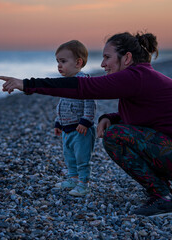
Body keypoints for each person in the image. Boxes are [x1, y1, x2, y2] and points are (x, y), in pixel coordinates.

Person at [0, 32, 172, 217]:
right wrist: (109, 117)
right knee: (116, 129)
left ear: (127, 58)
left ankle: (165, 199)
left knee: (115, 136)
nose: (102, 64)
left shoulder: (135, 77)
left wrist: (27, 84)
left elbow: (83, 88)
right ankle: (167, 194)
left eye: (107, 57)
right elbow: (148, 118)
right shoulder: (140, 79)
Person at [52, 40, 96, 196]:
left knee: (82, 158)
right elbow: (62, 103)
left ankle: (84, 184)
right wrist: (58, 122)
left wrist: (86, 121)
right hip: (67, 128)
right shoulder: (66, 83)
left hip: (81, 129)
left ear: (78, 62)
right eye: (58, 61)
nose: (59, 65)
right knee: (69, 157)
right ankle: (73, 179)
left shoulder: (84, 81)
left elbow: (90, 103)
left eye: (63, 61)